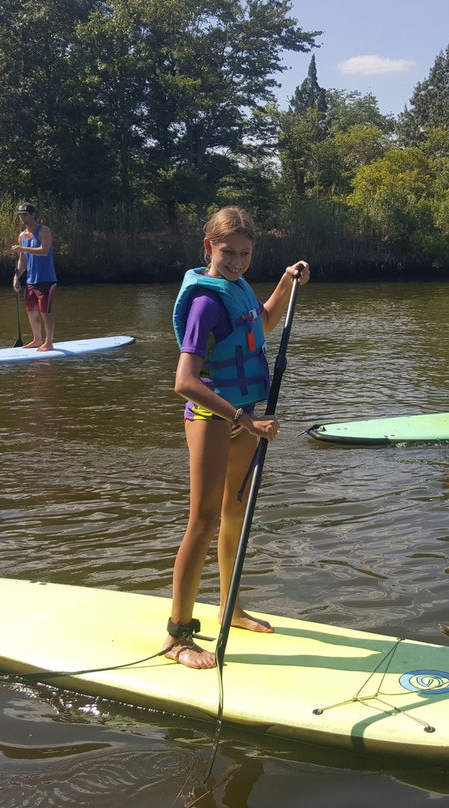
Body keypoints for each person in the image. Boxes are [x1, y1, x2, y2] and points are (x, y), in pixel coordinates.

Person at [166, 206, 310, 669]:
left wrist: (286, 281)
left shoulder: (240, 288)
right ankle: (177, 636)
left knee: (235, 515)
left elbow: (262, 323)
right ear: (208, 248)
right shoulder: (206, 302)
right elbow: (184, 381)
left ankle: (232, 605)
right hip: (211, 418)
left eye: (246, 254)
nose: (237, 262)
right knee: (203, 522)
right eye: (229, 252)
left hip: (244, 417)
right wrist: (245, 421)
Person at [11, 203, 57, 351]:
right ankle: (37, 339)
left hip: (46, 279)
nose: (22, 218)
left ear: (33, 215)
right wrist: (17, 278)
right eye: (20, 215)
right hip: (31, 280)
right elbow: (22, 260)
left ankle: (49, 342)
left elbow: (44, 251)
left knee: (45, 312)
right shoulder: (21, 236)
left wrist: (23, 248)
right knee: (31, 311)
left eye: (25, 215)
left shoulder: (44, 230)